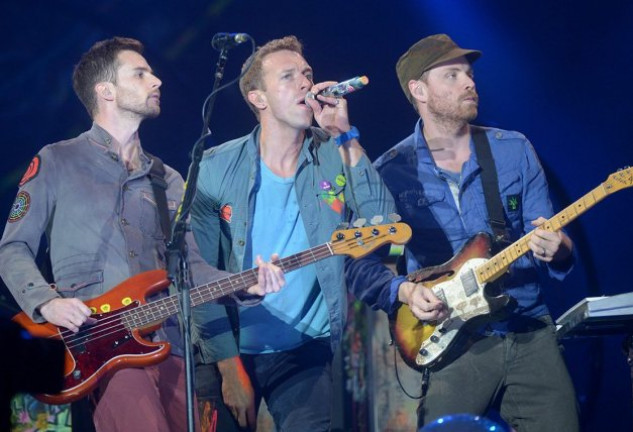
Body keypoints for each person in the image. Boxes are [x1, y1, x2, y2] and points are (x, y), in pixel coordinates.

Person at [0, 36, 284, 432]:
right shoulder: (57, 160)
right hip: (100, 346)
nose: (157, 80)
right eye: (141, 73)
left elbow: (193, 270)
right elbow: (12, 247)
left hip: (170, 343)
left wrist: (247, 285)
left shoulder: (166, 178)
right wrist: (45, 303)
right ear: (106, 91)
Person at [345, 34, 580, 431]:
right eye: (451, 75)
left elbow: (556, 240)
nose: (469, 83)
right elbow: (358, 267)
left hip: (528, 328)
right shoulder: (388, 172)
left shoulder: (513, 149)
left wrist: (559, 248)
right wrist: (403, 291)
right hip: (452, 341)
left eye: (469, 74)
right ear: (419, 90)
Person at [190, 35, 395, 431]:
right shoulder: (214, 167)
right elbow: (198, 272)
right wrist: (231, 372)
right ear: (258, 98)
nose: (306, 84)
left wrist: (343, 133)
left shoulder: (334, 152)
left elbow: (383, 220)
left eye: (308, 74)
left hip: (304, 348)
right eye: (289, 77)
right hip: (226, 347)